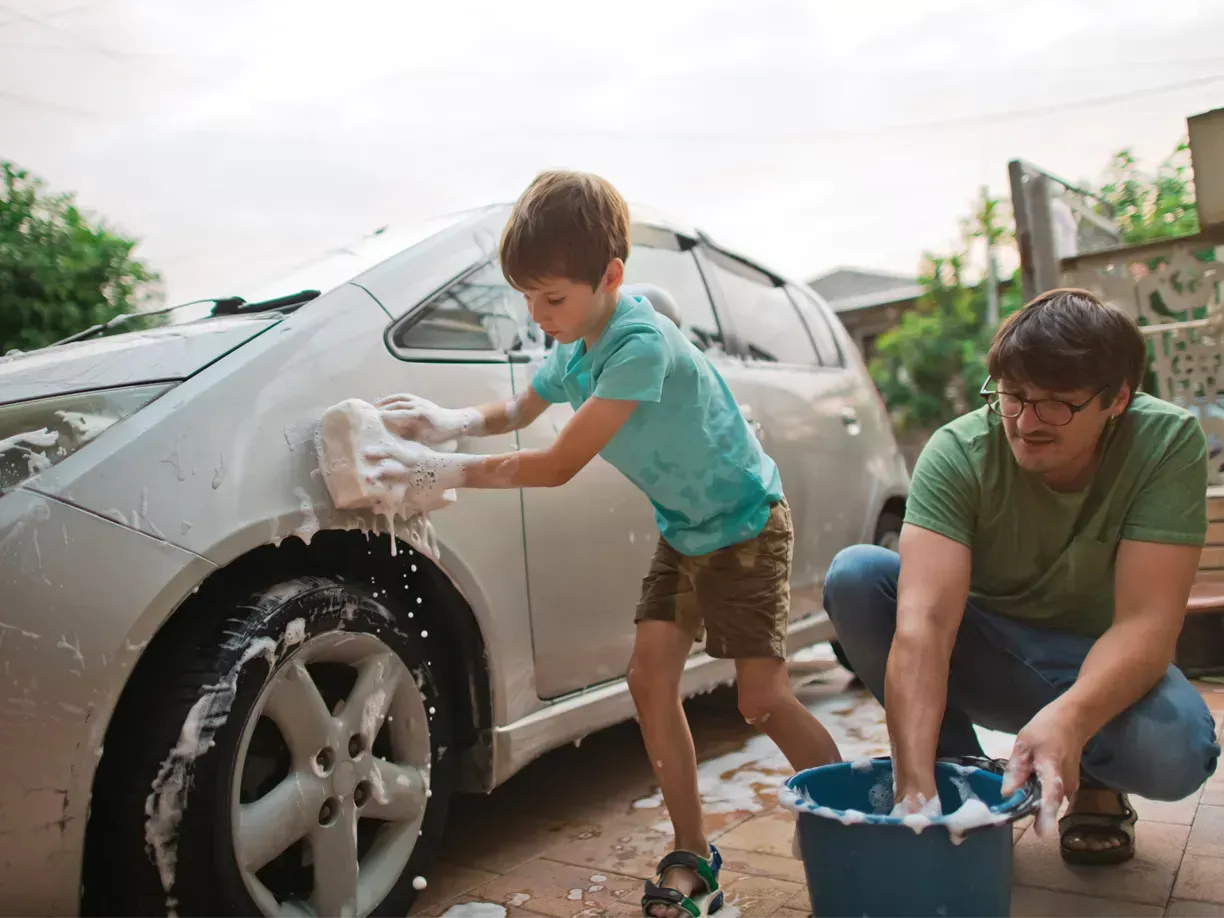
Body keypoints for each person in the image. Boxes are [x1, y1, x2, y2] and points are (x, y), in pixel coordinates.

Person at [368, 170, 841, 916]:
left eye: (552, 298)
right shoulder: (576, 343)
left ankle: (844, 822)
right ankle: (693, 853)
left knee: (761, 698)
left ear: (611, 277)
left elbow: (556, 466)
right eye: (527, 298)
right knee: (649, 679)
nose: (538, 314)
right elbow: (522, 406)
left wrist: (442, 473)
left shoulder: (638, 346)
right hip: (687, 534)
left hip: (747, 525)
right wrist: (447, 422)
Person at [823, 287, 1221, 865]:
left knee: (1175, 748)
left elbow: (1147, 624)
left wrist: (1073, 717)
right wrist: (913, 789)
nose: (1027, 421)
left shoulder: (1165, 443)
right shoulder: (959, 451)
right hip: (987, 650)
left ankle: (1095, 780)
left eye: (1058, 403)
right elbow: (924, 628)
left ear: (1118, 400)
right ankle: (957, 786)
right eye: (1013, 395)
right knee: (858, 575)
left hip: (1096, 660)